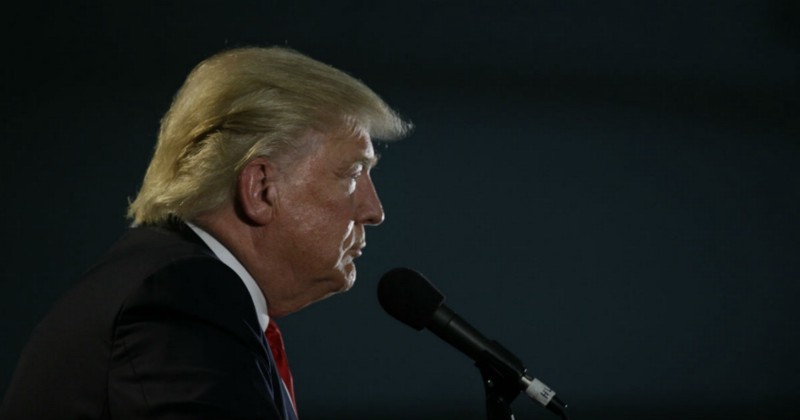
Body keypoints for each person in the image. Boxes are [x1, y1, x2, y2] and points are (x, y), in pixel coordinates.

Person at [1, 46, 411, 419]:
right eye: (354, 174)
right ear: (261, 189)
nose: (374, 211)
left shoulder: (172, 281)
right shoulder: (182, 296)